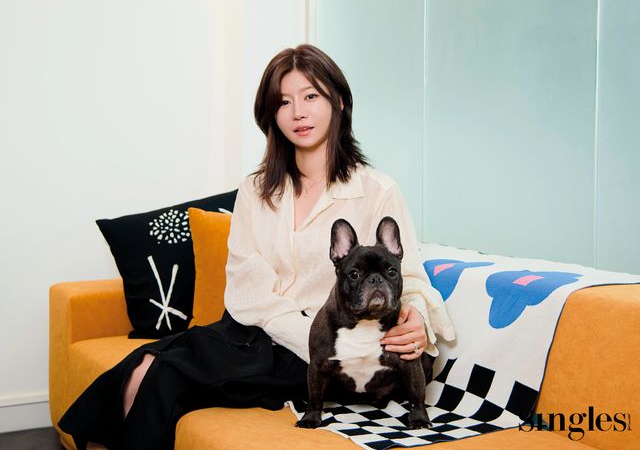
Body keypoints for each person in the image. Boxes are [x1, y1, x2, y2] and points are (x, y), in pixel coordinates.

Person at [58, 44, 455, 450]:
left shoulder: (377, 190)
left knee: (163, 374)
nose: (298, 112)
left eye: (310, 96)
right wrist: (302, 331)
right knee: (141, 363)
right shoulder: (255, 189)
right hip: (256, 331)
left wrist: (416, 318)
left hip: (319, 350)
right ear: (271, 114)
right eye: (284, 102)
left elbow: (408, 277)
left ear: (338, 101)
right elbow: (246, 284)